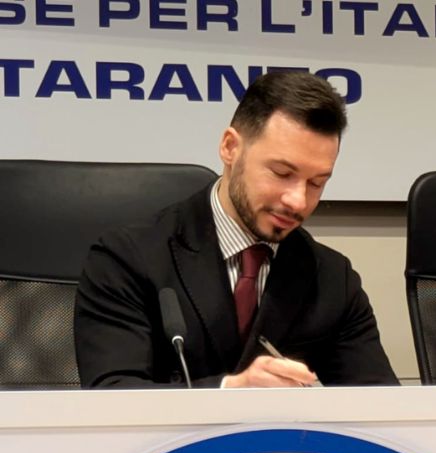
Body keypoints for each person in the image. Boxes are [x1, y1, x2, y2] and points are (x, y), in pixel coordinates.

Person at [74, 72, 396, 388]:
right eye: (282, 173)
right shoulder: (127, 258)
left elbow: (380, 403)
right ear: (230, 148)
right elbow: (112, 391)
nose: (298, 201)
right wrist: (231, 391)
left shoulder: (332, 279)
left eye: (316, 183)